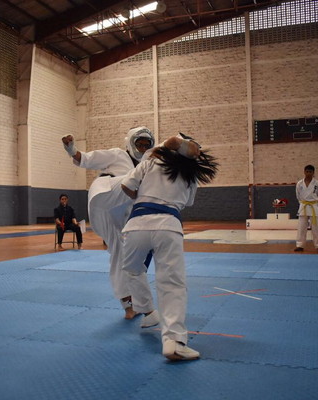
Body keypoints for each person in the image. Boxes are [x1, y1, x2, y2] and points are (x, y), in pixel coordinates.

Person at [120, 133, 218, 361]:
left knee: (132, 270)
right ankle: (174, 341)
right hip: (168, 225)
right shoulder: (190, 172)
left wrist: (142, 195)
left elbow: (126, 186)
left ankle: (147, 310)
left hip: (137, 224)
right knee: (172, 283)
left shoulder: (150, 161)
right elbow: (188, 202)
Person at [61, 127, 155, 320]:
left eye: (147, 145)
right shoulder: (118, 155)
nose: (143, 148)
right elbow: (87, 159)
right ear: (131, 143)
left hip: (113, 216)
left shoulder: (144, 167)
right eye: (140, 144)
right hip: (104, 194)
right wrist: (71, 149)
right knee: (140, 180)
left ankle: (128, 305)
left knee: (120, 253)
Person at [294, 165, 318, 252]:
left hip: (313, 205)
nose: (308, 173)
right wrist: (302, 203)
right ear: (304, 172)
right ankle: (300, 245)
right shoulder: (299, 183)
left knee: (316, 227)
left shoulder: (317, 183)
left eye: (310, 172)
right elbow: (298, 195)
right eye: (307, 171)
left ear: (313, 172)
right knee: (301, 227)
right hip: (303, 205)